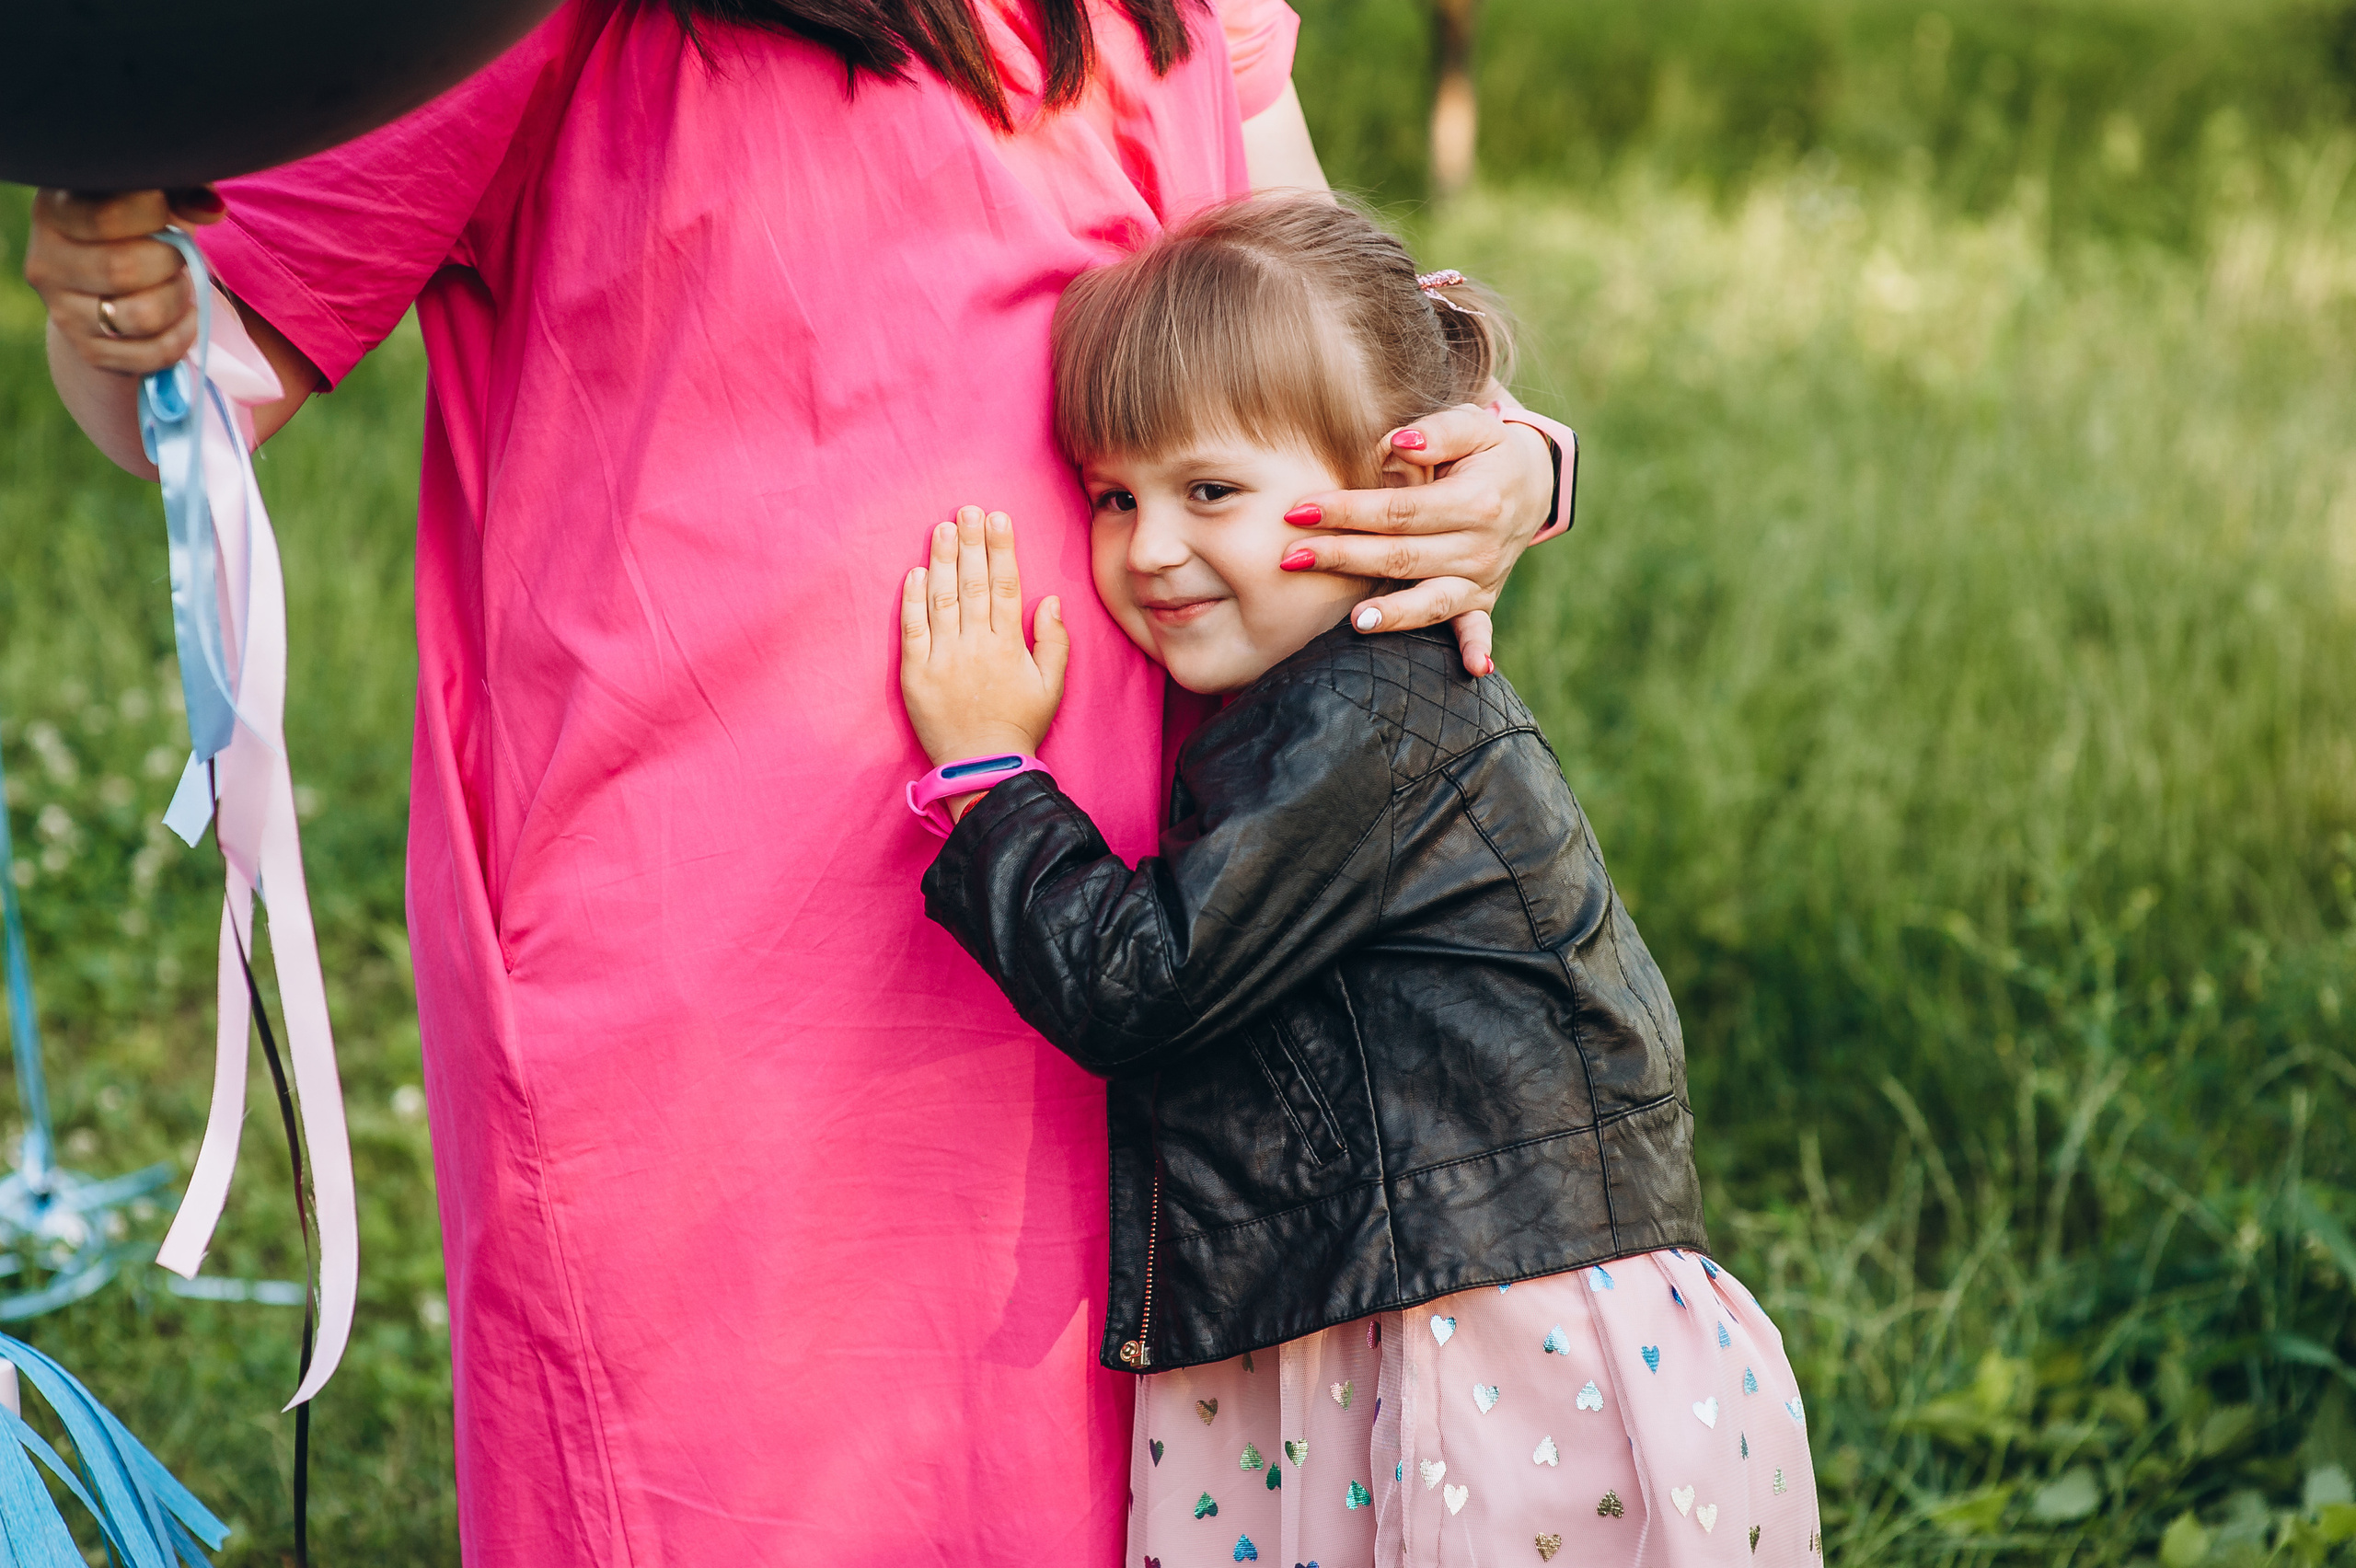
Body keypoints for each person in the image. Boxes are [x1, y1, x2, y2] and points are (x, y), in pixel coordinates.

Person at [20, 0, 1578, 1560]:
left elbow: (1325, 320)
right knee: (723, 1490)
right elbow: (201, 386)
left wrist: (1504, 455)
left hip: (1088, 921)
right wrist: (115, 311)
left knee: (1056, 1486)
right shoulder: (526, 17)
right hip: (704, 950)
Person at [895, 195, 1822, 1566]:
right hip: (1420, 1292)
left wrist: (988, 780)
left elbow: (1145, 981)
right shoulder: (1323, 700)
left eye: (1209, 491)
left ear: (1396, 488)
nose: (1149, 548)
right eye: (1113, 495)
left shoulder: (1359, 721)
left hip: (1493, 1339)